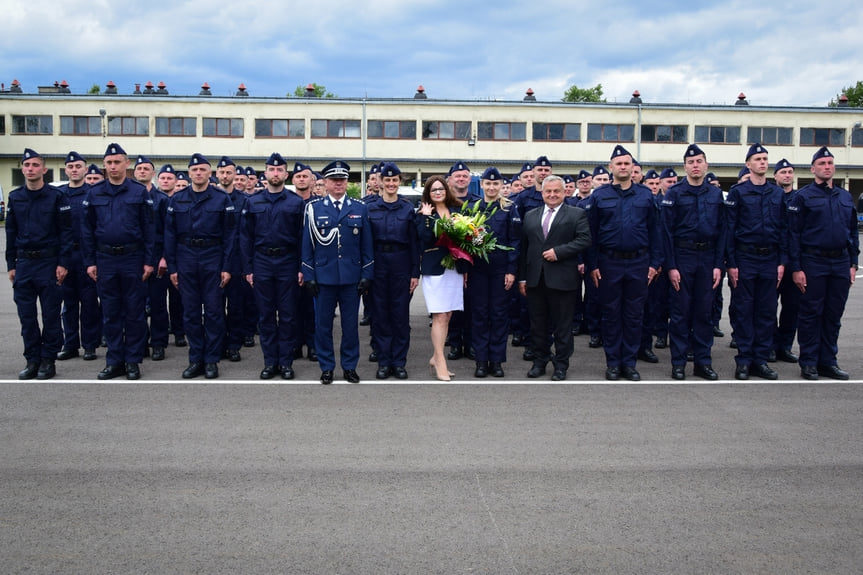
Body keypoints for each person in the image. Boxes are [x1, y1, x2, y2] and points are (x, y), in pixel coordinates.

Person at [584, 146, 662, 381]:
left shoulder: (645, 195)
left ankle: (629, 363)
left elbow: (655, 231)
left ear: (633, 168)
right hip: (609, 263)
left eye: (627, 163)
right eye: (618, 164)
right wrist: (593, 265)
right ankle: (613, 363)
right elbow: (591, 234)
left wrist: (654, 263)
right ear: (611, 168)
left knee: (634, 315)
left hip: (639, 263)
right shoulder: (599, 196)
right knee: (611, 314)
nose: (623, 167)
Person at [82, 143, 155, 380]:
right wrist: (90, 261)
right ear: (104, 165)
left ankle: (133, 361)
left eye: (117, 162)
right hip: (105, 259)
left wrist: (148, 261)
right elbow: (87, 230)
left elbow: (149, 228)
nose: (113, 166)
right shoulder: (94, 193)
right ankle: (114, 361)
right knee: (111, 313)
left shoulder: (137, 192)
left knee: (134, 313)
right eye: (109, 162)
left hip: (132, 258)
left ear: (127, 163)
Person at [788, 146, 859, 380]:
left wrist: (853, 263)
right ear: (813, 169)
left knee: (833, 314)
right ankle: (809, 361)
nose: (827, 167)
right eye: (822, 164)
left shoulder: (845, 197)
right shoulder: (803, 196)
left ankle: (828, 361)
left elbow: (852, 232)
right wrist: (797, 268)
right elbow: (794, 234)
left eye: (830, 163)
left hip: (840, 262)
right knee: (811, 313)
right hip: (813, 261)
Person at [164, 153, 237, 379]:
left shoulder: (221, 198)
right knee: (191, 312)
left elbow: (230, 235)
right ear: (189, 173)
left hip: (212, 258)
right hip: (186, 258)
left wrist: (227, 266)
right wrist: (173, 268)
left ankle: (212, 360)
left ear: (209, 173)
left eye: (203, 170)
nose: (198, 173)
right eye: (194, 170)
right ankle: (196, 358)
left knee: (215, 312)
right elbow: (169, 235)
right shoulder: (177, 200)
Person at [301, 160, 374, 384]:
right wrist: (310, 276)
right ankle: (327, 366)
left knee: (350, 326)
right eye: (334, 180)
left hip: (351, 278)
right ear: (325, 182)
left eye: (342, 180)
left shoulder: (359, 207)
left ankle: (349, 366)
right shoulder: (314, 208)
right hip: (324, 277)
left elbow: (367, 245)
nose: (339, 184)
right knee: (323, 325)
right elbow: (307, 244)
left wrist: (366, 274)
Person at [5, 148, 73, 380]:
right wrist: (10, 264)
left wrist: (63, 263)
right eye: (27, 165)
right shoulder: (15, 197)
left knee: (51, 314)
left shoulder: (56, 197)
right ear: (22, 169)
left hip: (48, 262)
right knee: (27, 316)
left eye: (35, 165)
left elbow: (66, 232)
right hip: (24, 263)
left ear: (43, 169)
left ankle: (48, 360)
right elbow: (11, 232)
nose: (31, 169)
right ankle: (32, 359)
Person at [661, 144, 725, 380]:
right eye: (691, 162)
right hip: (683, 257)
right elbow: (666, 233)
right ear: (685, 166)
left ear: (706, 165)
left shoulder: (715, 194)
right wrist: (671, 266)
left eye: (699, 161)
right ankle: (678, 363)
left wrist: (719, 264)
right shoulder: (674, 193)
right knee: (680, 314)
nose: (695, 166)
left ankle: (703, 362)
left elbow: (722, 231)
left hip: (708, 259)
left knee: (703, 314)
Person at [518, 175, 591, 381]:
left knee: (562, 326)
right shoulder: (531, 215)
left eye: (556, 191)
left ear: (564, 192)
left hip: (562, 279)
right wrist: (522, 278)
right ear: (542, 193)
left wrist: (559, 252)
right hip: (535, 280)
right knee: (538, 325)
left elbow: (585, 239)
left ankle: (561, 365)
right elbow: (524, 249)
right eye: (548, 191)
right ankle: (539, 361)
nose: (552, 195)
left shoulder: (577, 214)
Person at [725, 143, 787, 380]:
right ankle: (743, 360)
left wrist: (782, 261)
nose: (762, 162)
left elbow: (784, 230)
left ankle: (760, 360)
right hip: (745, 257)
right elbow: (729, 229)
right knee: (744, 311)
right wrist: (731, 263)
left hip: (770, 259)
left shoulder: (777, 194)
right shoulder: (738, 193)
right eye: (757, 159)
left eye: (764, 158)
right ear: (748, 164)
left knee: (766, 312)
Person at [240, 153, 305, 379]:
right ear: (265, 173)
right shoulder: (252, 202)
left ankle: (286, 363)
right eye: (271, 170)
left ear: (286, 175)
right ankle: (270, 362)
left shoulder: (296, 203)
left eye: (279, 170)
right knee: (266, 315)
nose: (275, 173)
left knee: (288, 315)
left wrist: (300, 267)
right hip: (262, 263)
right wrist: (248, 269)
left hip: (287, 262)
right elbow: (245, 238)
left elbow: (301, 238)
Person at [466, 167, 521, 378]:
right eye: (487, 184)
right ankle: (481, 361)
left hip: (500, 270)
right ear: (481, 185)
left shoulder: (509, 209)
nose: (491, 187)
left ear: (501, 186)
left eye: (495, 184)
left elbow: (515, 241)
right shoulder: (472, 208)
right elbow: (465, 242)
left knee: (499, 315)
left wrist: (511, 270)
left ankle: (496, 361)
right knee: (479, 315)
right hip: (478, 270)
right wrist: (466, 270)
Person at [366, 162, 420, 379]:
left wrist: (415, 273)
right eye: (387, 180)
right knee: (380, 316)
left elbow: (414, 244)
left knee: (400, 316)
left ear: (400, 182)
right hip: (378, 263)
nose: (390, 184)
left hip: (401, 264)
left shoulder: (407, 208)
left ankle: (398, 362)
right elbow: (365, 244)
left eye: (394, 180)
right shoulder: (369, 208)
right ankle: (383, 361)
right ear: (380, 182)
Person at [416, 175, 464, 381]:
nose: (438, 192)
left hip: (454, 268)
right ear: (428, 193)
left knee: (449, 314)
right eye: (433, 190)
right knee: (439, 315)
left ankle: (436, 357)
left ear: (446, 190)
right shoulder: (424, 213)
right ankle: (440, 359)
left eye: (440, 189)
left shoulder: (457, 211)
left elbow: (465, 241)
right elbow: (424, 240)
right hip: (434, 269)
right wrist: (425, 218)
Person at [57, 151, 101, 362]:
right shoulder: (59, 195)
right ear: (66, 170)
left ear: (85, 169)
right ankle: (71, 344)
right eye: (70, 167)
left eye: (78, 166)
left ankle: (90, 345)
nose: (74, 170)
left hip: (87, 255)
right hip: (66, 255)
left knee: (90, 302)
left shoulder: (94, 193)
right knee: (69, 303)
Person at [444, 161, 479, 361]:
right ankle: (455, 343)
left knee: (472, 305)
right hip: (451, 262)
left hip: (473, 263)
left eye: (465, 175)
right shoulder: (444, 202)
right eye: (457, 176)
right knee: (453, 306)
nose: (461, 179)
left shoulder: (477, 202)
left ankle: (471, 344)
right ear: (450, 180)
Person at [216, 156, 247, 363]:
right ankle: (218, 344)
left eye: (229, 172)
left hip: (237, 261)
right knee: (215, 307)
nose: (225, 176)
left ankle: (234, 345)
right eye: (222, 172)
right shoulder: (211, 197)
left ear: (235, 175)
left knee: (236, 306)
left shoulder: (245, 200)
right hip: (214, 260)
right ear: (216, 174)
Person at [772, 158, 800, 363]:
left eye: (790, 172)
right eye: (783, 172)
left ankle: (785, 346)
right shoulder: (771, 197)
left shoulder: (800, 199)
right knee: (769, 307)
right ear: (776, 176)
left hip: (795, 261)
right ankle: (771, 346)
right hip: (773, 261)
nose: (787, 175)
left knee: (792, 307)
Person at [290, 162, 318, 362]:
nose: (301, 179)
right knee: (291, 307)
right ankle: (295, 344)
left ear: (312, 180)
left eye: (305, 176)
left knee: (312, 307)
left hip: (315, 264)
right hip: (289, 262)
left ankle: (313, 345)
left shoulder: (319, 205)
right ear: (292, 179)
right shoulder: (287, 202)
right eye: (298, 176)